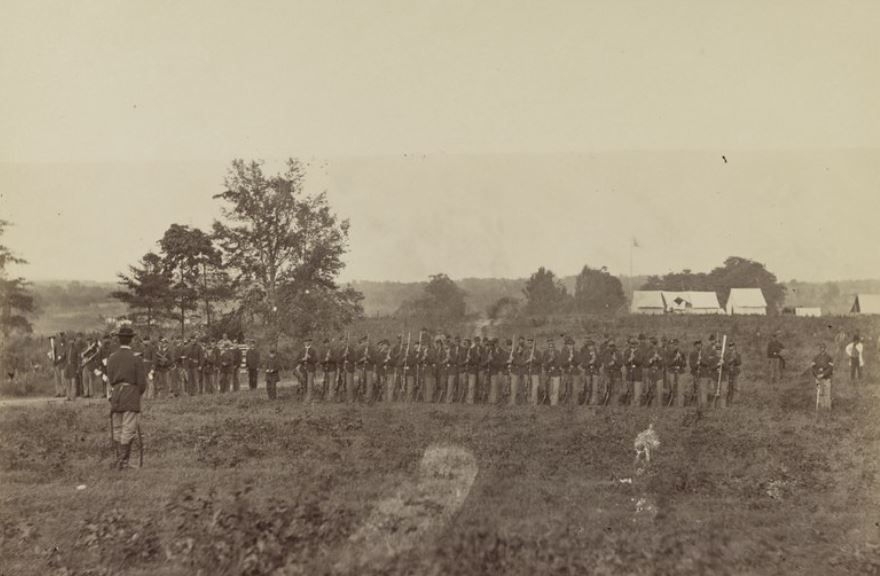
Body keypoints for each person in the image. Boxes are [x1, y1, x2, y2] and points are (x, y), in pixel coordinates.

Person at [107, 325, 147, 470]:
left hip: (116, 395)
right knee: (128, 429)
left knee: (117, 428)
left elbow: (110, 379)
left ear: (118, 340)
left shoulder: (112, 358)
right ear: (131, 340)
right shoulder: (136, 359)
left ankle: (120, 461)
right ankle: (122, 462)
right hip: (130, 394)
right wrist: (136, 393)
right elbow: (142, 383)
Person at [811, 343, 834, 412]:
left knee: (827, 392)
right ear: (819, 349)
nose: (822, 349)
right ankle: (820, 407)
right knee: (820, 392)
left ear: (825, 348)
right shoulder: (816, 357)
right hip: (818, 378)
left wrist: (823, 374)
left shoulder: (829, 357)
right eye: (821, 348)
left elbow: (830, 368)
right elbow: (812, 367)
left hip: (826, 378)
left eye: (823, 348)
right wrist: (817, 375)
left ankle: (827, 407)